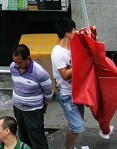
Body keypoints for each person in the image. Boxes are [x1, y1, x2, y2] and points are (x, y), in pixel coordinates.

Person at [10, 44, 53, 149]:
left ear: (27, 58)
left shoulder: (40, 73)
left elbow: (48, 93)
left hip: (33, 110)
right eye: (15, 61)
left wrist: (44, 105)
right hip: (18, 108)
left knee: (37, 138)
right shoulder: (13, 67)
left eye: (19, 62)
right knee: (23, 136)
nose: (17, 65)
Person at [51, 17, 85, 148]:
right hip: (66, 95)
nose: (76, 31)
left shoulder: (73, 47)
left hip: (77, 92)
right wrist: (80, 63)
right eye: (74, 29)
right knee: (77, 126)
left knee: (76, 123)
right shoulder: (57, 53)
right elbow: (65, 75)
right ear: (68, 33)